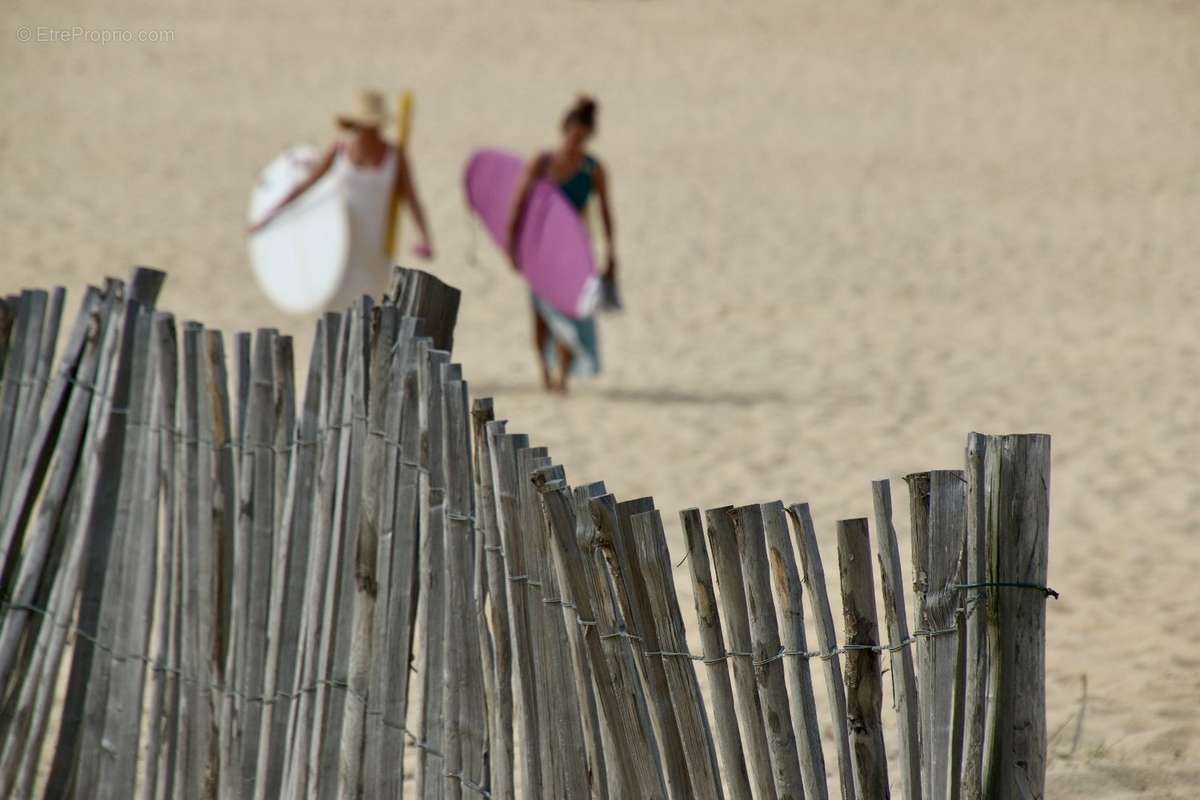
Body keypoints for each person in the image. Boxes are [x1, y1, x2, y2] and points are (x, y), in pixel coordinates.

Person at [248, 90, 434, 310]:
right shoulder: (340, 151)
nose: (370, 132)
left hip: (374, 251)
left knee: (371, 309)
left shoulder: (394, 156)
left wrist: (424, 237)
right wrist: (269, 215)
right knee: (340, 312)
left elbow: (411, 199)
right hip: (341, 246)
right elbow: (307, 185)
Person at [507, 95, 619, 394]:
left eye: (582, 138)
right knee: (541, 314)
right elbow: (518, 206)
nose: (576, 143)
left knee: (568, 311)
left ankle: (563, 376)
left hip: (575, 252)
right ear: (564, 131)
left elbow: (606, 213)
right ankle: (544, 370)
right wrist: (512, 246)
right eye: (573, 136)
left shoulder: (592, 170)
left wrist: (611, 254)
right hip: (541, 250)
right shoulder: (543, 163)